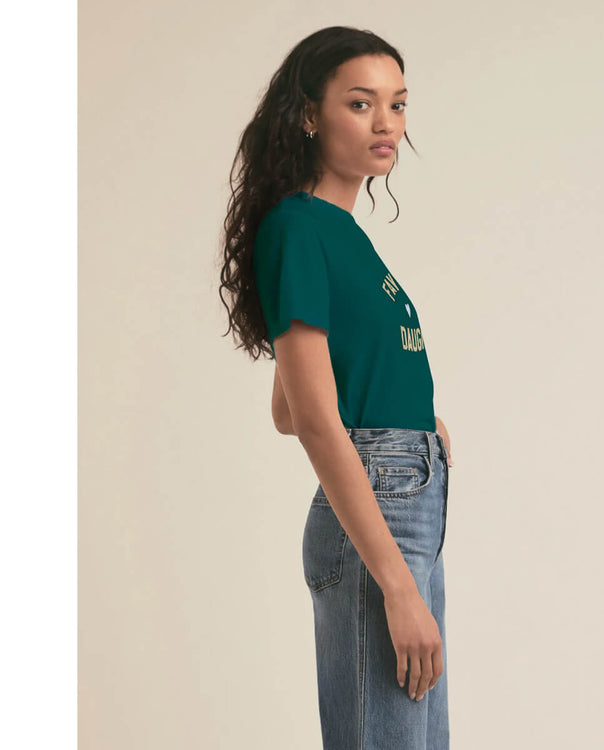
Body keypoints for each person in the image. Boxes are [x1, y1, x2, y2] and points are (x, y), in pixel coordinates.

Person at [218, 25, 454, 749]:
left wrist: (418, 420)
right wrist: (398, 585)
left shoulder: (340, 230)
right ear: (308, 115)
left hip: (405, 503)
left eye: (398, 104)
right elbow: (315, 422)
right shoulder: (297, 227)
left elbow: (287, 407)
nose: (386, 123)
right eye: (360, 103)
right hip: (379, 514)